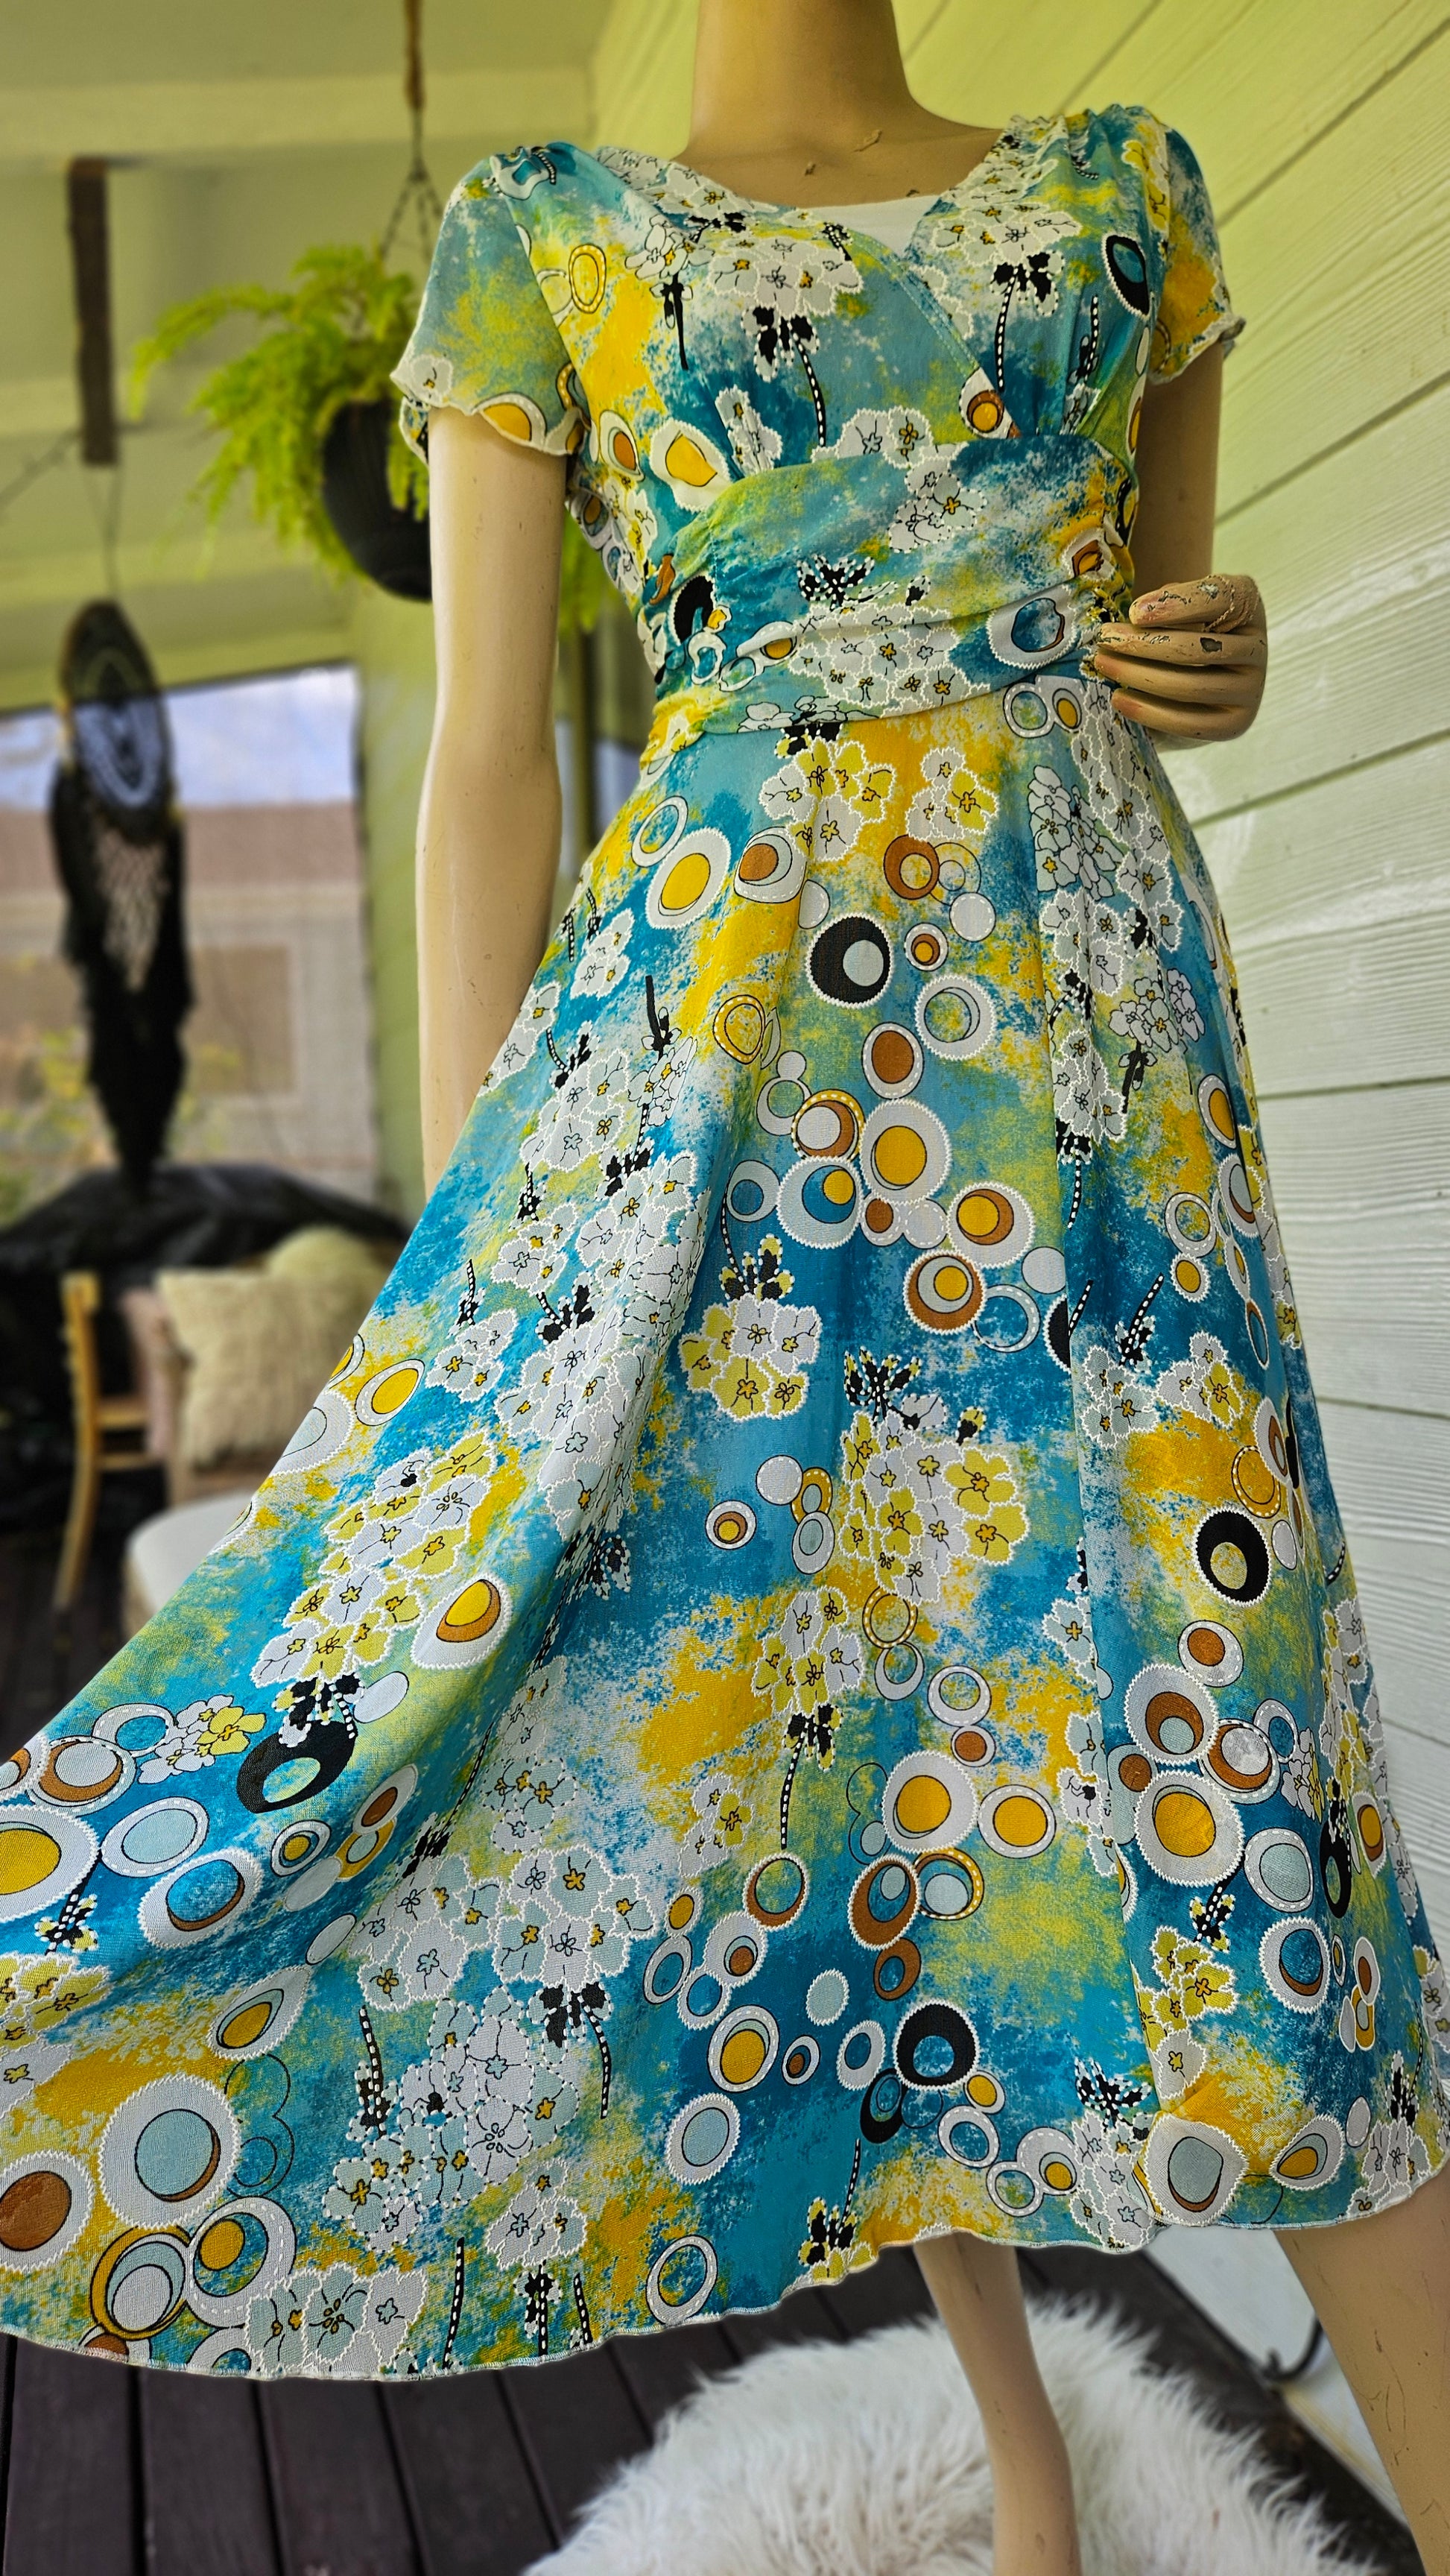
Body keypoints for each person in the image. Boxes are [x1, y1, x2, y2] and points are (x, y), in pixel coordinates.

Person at [0, 7, 1445, 2572]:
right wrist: (478, 1275)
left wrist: (1204, 645)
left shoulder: (1122, 187)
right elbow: (483, 757)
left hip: (1087, 1066)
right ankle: (1025, 2491)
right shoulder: (545, 233)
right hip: (718, 1074)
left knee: (1243, 1779)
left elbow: (1160, 621)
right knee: (840, 1761)